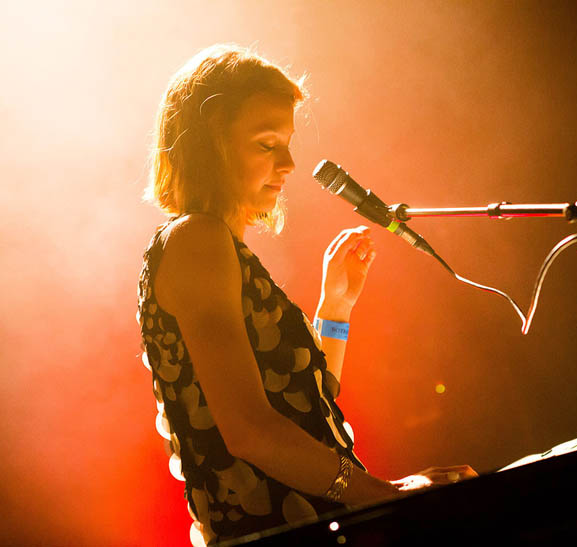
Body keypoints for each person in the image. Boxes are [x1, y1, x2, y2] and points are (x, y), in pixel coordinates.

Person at [137, 44, 476, 546]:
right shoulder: (196, 240)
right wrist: (382, 493)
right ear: (213, 143)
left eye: (287, 142)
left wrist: (333, 309)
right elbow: (249, 429)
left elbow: (308, 402)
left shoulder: (217, 246)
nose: (290, 163)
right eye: (267, 144)